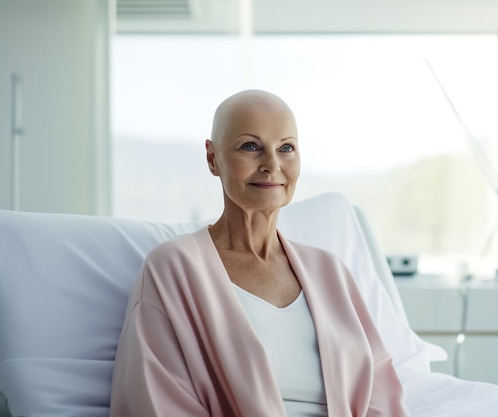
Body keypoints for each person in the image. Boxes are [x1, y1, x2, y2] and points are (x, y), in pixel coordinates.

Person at [109, 89, 410, 416]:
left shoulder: (330, 271)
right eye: (251, 147)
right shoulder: (173, 268)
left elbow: (380, 390)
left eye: (286, 148)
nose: (272, 165)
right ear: (213, 159)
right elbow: (157, 398)